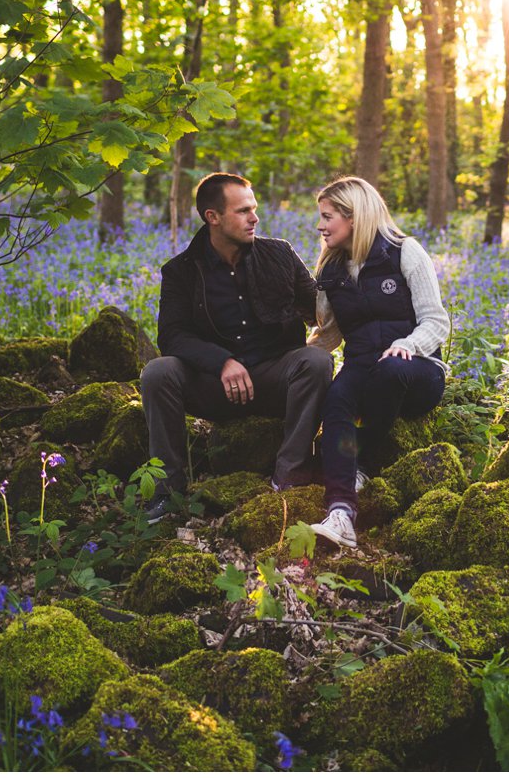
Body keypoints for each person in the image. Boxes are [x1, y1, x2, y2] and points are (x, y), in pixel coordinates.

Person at [140, 173, 333, 524]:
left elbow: (320, 309)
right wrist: (222, 361)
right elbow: (172, 336)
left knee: (316, 361)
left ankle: (289, 477)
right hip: (213, 385)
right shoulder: (181, 271)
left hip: (273, 377)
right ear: (212, 217)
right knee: (158, 371)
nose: (254, 218)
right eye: (243, 211)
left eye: (254, 209)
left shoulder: (280, 254)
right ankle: (168, 494)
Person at [306, 176, 450, 548]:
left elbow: (437, 321)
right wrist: (300, 359)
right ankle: (340, 513)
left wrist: (408, 343)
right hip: (362, 367)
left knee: (391, 369)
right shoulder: (331, 271)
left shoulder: (404, 252)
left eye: (327, 217)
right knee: (337, 400)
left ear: (353, 217)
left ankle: (362, 463)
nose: (320, 226)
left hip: (416, 370)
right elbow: (331, 334)